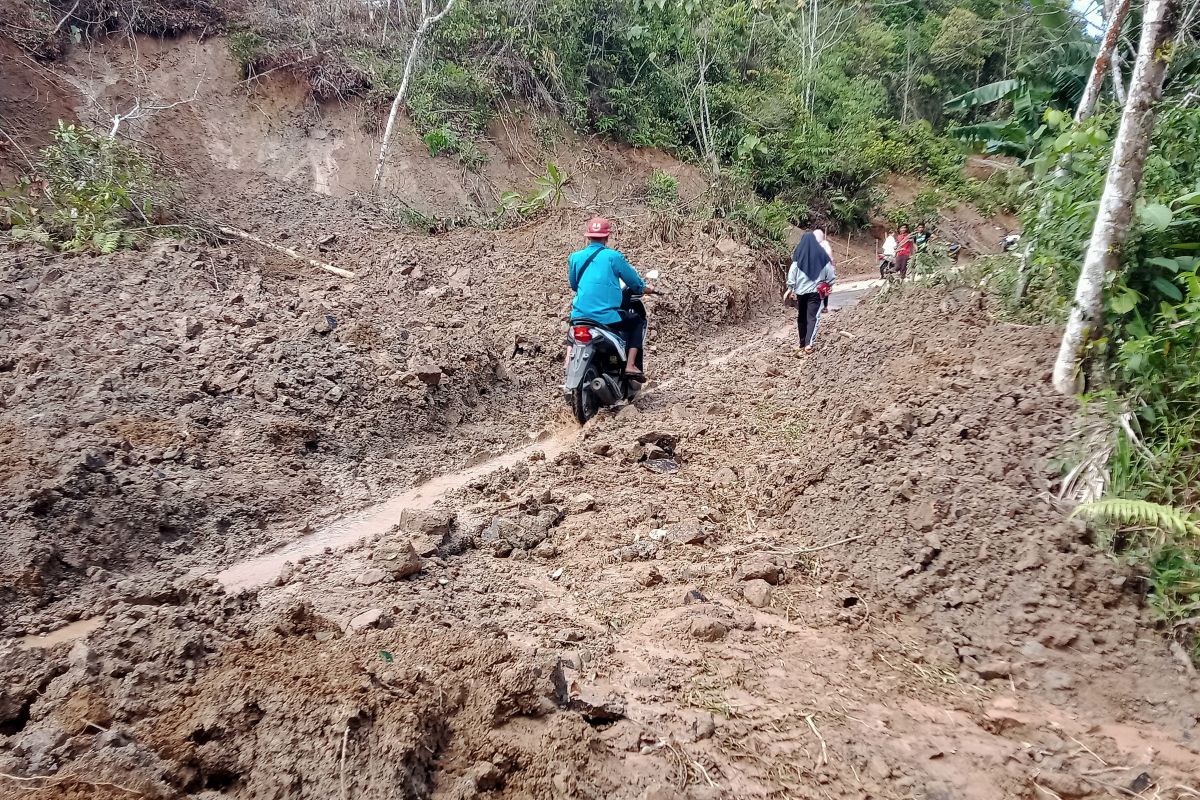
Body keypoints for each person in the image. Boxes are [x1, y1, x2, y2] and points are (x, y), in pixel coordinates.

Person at [569, 216, 648, 378]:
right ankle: (630, 365)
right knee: (636, 322)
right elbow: (634, 283)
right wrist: (647, 288)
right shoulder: (614, 257)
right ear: (607, 237)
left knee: (571, 335)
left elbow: (574, 285)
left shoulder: (575, 257)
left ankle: (568, 365)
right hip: (606, 317)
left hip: (579, 316)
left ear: (588, 236)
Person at [783, 230, 835, 353]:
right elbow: (831, 276)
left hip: (801, 293)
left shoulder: (798, 256)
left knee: (801, 317)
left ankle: (802, 343)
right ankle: (808, 344)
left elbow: (792, 274)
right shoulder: (822, 256)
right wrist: (827, 284)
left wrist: (790, 289)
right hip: (815, 292)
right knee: (812, 317)